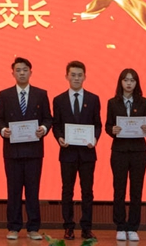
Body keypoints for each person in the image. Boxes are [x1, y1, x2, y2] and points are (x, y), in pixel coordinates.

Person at [0, 57, 52, 241]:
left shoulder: (41, 94)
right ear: (13, 73)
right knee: (14, 190)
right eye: (18, 70)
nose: (21, 73)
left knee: (33, 191)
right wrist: (3, 130)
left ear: (31, 72)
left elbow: (48, 118)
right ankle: (13, 227)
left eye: (25, 70)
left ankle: (33, 228)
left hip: (34, 150)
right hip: (12, 151)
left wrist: (43, 129)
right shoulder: (5, 95)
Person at [52, 61, 101, 240]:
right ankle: (68, 227)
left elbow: (97, 124)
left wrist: (94, 139)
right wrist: (59, 138)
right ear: (66, 76)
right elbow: (56, 125)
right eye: (73, 75)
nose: (76, 78)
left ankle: (86, 228)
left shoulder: (93, 99)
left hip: (88, 153)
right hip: (68, 153)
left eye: (80, 75)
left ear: (85, 77)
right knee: (67, 191)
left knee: (87, 191)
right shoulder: (58, 100)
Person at [105, 68, 146, 242]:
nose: (129, 83)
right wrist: (112, 130)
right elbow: (107, 125)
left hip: (139, 152)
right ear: (121, 82)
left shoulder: (143, 102)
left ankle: (133, 227)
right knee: (119, 189)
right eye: (126, 80)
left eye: (132, 80)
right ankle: (120, 226)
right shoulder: (112, 102)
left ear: (136, 83)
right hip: (119, 151)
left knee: (136, 190)